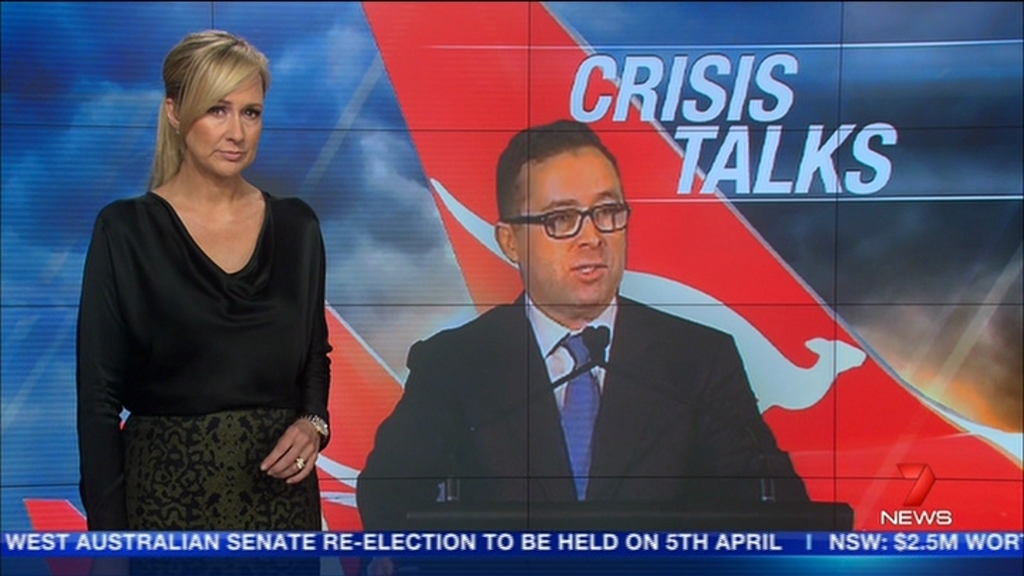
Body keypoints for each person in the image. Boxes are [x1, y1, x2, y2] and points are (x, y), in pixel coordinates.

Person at [357, 119, 808, 531]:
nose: (592, 237)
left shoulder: (698, 360)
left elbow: (774, 511)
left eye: (607, 212)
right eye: (561, 219)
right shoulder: (454, 365)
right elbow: (389, 500)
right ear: (510, 241)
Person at [76, 30, 332, 531]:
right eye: (217, 110)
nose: (237, 132)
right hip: (163, 507)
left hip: (280, 511)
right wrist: (109, 545)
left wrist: (313, 423)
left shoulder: (297, 227)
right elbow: (98, 400)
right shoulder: (125, 230)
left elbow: (313, 356)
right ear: (175, 113)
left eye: (251, 113)